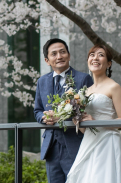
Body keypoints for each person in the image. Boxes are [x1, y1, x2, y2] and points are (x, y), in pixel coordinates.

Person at [65, 44, 121, 183]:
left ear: (109, 64)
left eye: (101, 55)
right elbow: (85, 130)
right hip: (89, 142)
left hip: (108, 143)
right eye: (92, 55)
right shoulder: (83, 92)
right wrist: (78, 121)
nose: (95, 58)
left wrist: (97, 123)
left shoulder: (114, 87)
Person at [33, 38, 93, 183]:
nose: (59, 56)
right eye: (54, 54)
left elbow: (90, 110)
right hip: (51, 146)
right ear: (47, 60)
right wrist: (43, 118)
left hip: (75, 143)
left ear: (69, 55)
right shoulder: (42, 81)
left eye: (62, 52)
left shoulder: (83, 79)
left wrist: (63, 116)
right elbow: (37, 110)